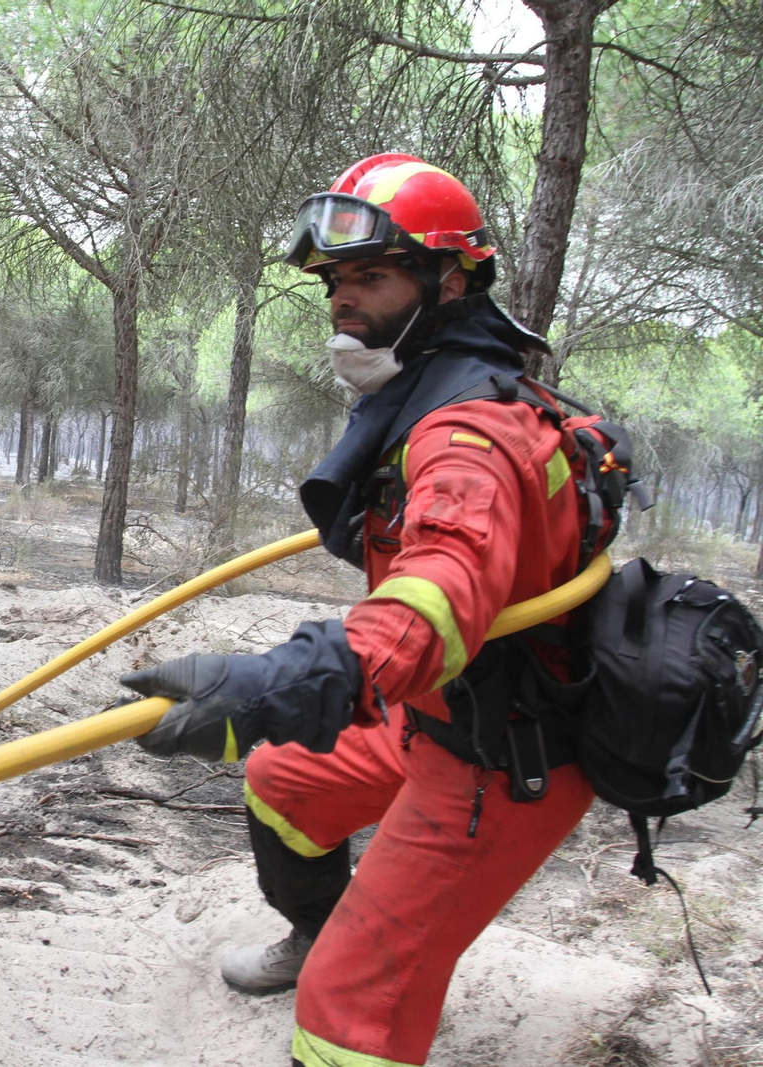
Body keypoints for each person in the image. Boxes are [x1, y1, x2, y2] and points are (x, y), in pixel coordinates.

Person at [120, 154, 599, 1067]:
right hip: (435, 712)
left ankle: (353, 979)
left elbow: (433, 609)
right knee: (286, 785)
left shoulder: (468, 434)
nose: (343, 301)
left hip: (500, 757)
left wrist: (275, 683)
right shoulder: (437, 399)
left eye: (370, 277)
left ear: (449, 282)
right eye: (337, 281)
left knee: (346, 1017)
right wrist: (275, 710)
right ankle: (322, 933)